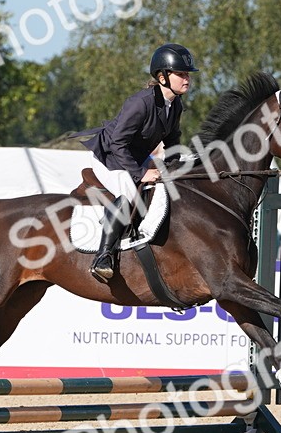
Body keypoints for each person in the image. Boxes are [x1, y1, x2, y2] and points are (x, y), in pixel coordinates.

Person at [82, 42, 198, 282]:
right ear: (162, 77)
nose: (187, 79)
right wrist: (141, 173)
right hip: (109, 156)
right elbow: (117, 143)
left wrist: (174, 168)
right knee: (127, 193)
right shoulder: (140, 103)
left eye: (187, 74)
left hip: (135, 155)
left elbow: (173, 140)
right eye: (181, 74)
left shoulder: (175, 104)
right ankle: (103, 257)